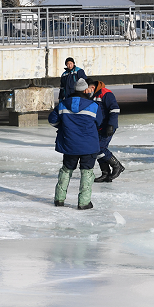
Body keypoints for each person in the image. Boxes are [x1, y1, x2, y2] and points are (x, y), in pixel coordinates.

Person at [48, 78, 102, 210]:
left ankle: (59, 199)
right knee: (87, 172)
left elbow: (52, 120)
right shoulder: (94, 106)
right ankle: (84, 202)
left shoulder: (63, 104)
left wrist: (64, 126)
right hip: (88, 145)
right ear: (85, 90)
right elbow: (99, 122)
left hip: (69, 144)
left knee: (66, 170)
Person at [86, 78, 125, 183]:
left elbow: (115, 109)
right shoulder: (92, 95)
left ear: (92, 87)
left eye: (87, 89)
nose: (86, 91)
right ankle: (105, 173)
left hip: (107, 126)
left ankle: (117, 166)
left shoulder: (106, 93)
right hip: (98, 127)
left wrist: (111, 125)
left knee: (100, 148)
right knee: (97, 149)